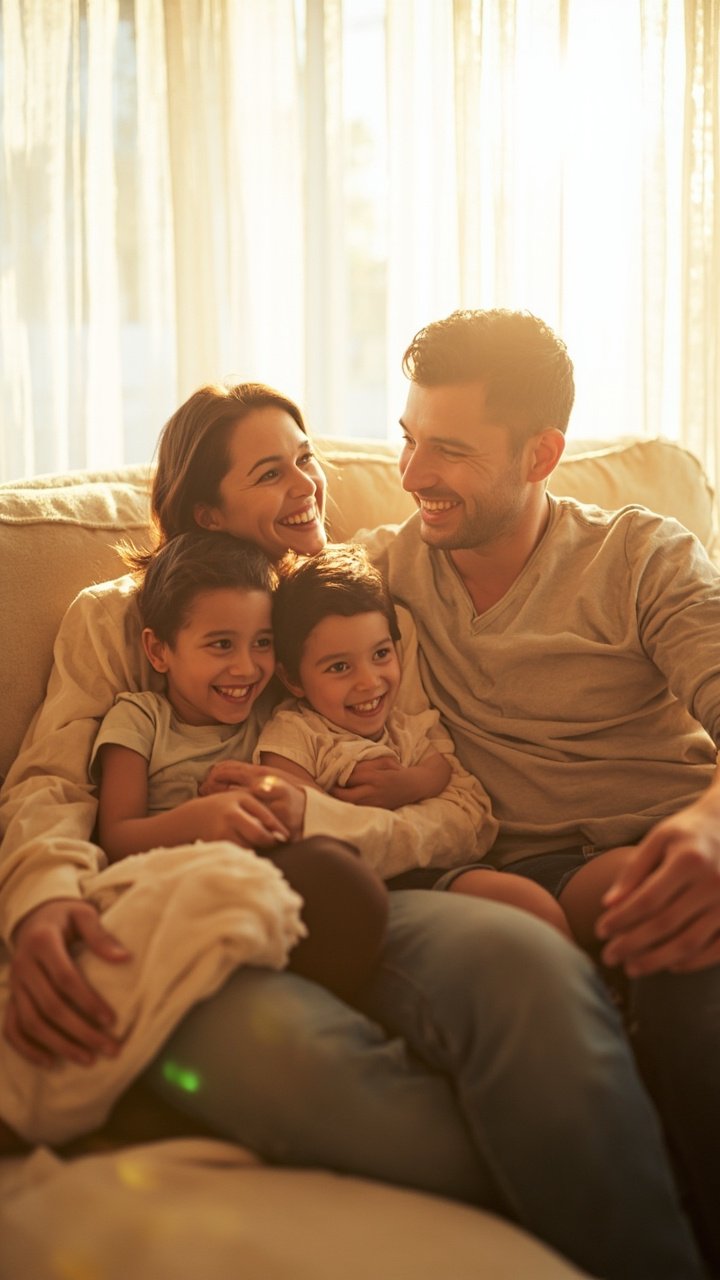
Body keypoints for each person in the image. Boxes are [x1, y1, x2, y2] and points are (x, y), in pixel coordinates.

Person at [0, 380, 708, 1279]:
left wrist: (319, 817)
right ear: (207, 508)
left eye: (307, 460)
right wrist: (41, 898)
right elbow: (51, 785)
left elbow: (456, 803)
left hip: (376, 890)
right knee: (296, 1067)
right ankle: (588, 1176)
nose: (307, 486)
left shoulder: (366, 607)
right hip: (194, 896)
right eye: (270, 473)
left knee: (524, 965)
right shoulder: (119, 617)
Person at [357, 306, 720, 1268]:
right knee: (674, 955)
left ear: (541, 453)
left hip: (675, 836)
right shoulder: (379, 577)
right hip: (530, 876)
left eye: (447, 450)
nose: (411, 475)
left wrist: (712, 831)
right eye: (406, 439)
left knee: (689, 958)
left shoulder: (641, 556)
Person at [93, 529, 388, 1000]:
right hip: (180, 884)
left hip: (274, 882)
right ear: (158, 651)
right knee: (337, 875)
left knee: (340, 875)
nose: (248, 668)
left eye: (263, 643)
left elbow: (315, 802)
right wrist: (201, 821)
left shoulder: (277, 714)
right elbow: (116, 835)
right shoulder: (141, 718)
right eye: (221, 645)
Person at [258, 542, 569, 939]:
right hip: (357, 892)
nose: (370, 681)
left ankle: (599, 991)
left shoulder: (407, 724)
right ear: (292, 679)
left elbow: (462, 795)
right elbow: (294, 815)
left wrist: (410, 784)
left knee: (531, 904)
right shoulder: (296, 732)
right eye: (339, 667)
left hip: (438, 873)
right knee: (521, 914)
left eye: (381, 654)